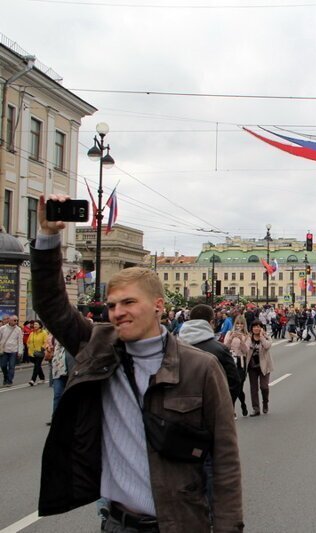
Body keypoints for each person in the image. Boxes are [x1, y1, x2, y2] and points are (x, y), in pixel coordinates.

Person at [32, 194, 243, 532]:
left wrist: (228, 527)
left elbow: (225, 461)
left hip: (179, 523)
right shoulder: (99, 346)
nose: (118, 312)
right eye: (113, 305)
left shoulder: (199, 367)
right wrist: (47, 237)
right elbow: (51, 305)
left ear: (159, 306)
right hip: (117, 523)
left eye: (129, 302)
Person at [178, 305, 241, 409]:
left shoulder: (172, 347)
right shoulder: (220, 349)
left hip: (179, 410)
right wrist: (224, 407)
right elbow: (234, 382)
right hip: (212, 409)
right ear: (211, 322)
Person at [244, 321, 274, 416]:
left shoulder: (266, 336)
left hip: (264, 366)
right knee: (254, 388)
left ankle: (265, 402)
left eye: (258, 327)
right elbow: (245, 348)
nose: (256, 328)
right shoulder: (248, 338)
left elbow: (267, 346)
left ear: (261, 328)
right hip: (252, 367)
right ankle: (256, 408)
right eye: (254, 327)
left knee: (264, 387)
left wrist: (261, 337)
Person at [223, 316, 250, 418]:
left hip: (240, 362)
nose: (239, 326)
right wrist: (230, 338)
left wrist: (241, 340)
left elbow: (246, 351)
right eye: (237, 323)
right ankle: (232, 410)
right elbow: (225, 347)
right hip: (230, 361)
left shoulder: (247, 336)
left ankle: (243, 404)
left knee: (239, 387)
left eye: (241, 324)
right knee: (231, 387)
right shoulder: (229, 333)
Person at [0, 315, 23, 386]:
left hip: (13, 351)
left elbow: (20, 341)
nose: (16, 322)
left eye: (17, 320)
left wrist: (20, 351)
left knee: (11, 366)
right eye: (14, 320)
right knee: (3, 365)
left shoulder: (18, 329)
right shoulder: (2, 328)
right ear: (9, 320)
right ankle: (5, 377)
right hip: (4, 350)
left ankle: (9, 381)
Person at [27, 320, 48, 386]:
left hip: (40, 353)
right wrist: (28, 346)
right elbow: (28, 341)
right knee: (37, 365)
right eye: (34, 324)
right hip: (31, 353)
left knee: (36, 366)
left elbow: (46, 342)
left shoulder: (44, 333)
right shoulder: (32, 333)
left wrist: (42, 348)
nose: (35, 325)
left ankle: (32, 380)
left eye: (36, 324)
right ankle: (42, 378)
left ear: (40, 325)